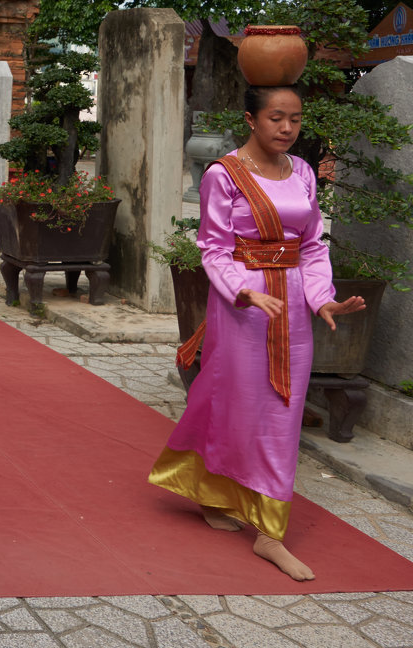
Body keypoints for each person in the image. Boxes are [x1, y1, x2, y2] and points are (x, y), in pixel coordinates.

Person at [148, 85, 365, 581]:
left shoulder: (305, 173)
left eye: (295, 119)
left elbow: (312, 248)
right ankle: (214, 490)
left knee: (282, 410)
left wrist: (322, 298)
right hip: (241, 307)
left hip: (293, 307)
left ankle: (270, 533)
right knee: (231, 400)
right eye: (275, 118)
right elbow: (213, 249)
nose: (287, 128)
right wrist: (244, 292)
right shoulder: (224, 176)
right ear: (251, 119)